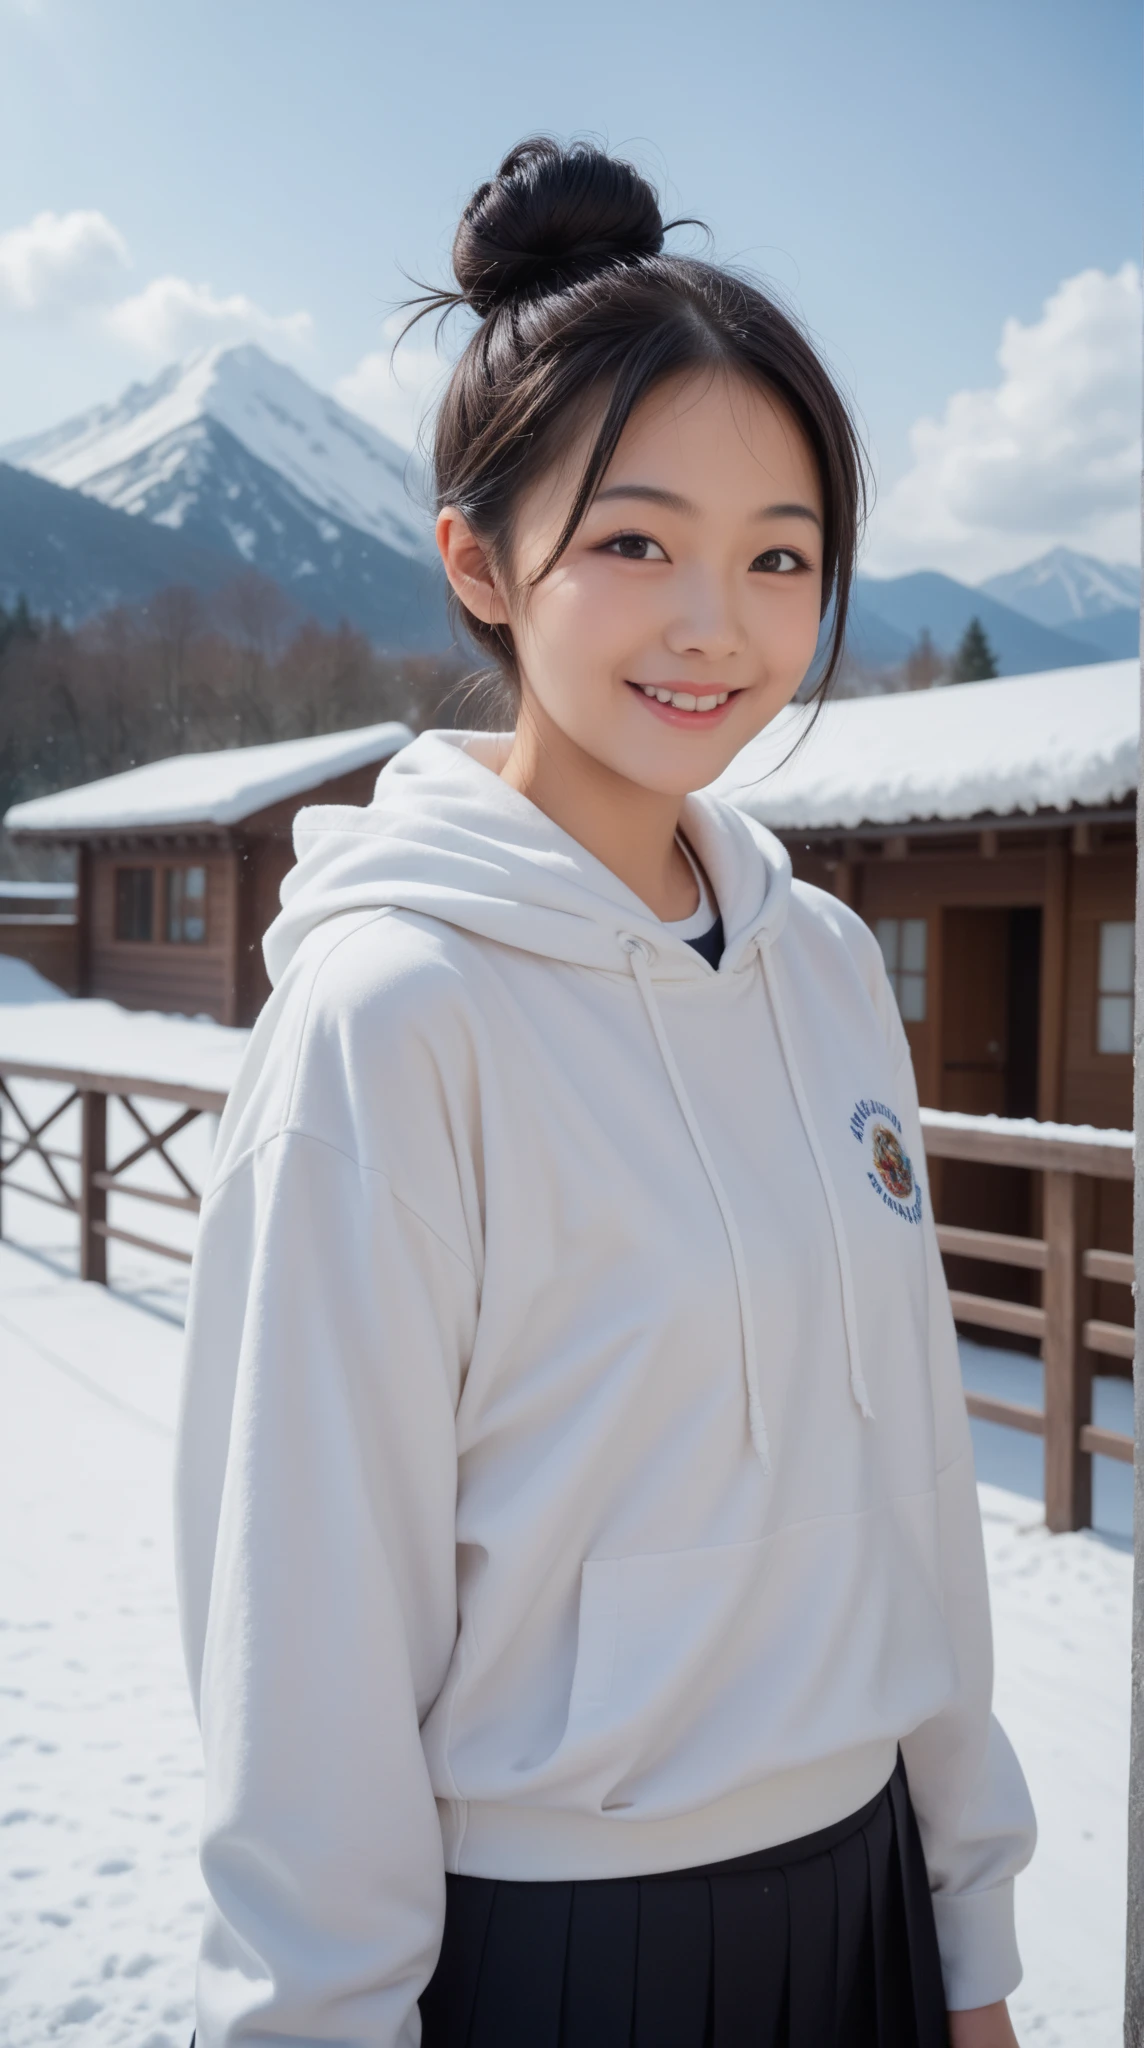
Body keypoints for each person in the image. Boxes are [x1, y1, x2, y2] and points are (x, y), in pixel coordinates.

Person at [175, 137, 1035, 2048]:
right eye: (636, 541)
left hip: (871, 1900)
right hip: (564, 1955)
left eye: (779, 554)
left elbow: (909, 1488)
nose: (715, 622)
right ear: (479, 559)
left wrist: (970, 1937)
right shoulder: (392, 1017)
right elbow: (302, 1635)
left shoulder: (818, 966)